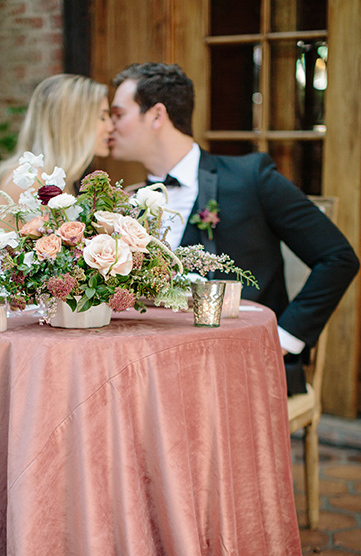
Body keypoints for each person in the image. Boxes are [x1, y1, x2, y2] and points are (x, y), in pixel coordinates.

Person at [109, 62, 359, 394]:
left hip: (245, 370)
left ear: (156, 115)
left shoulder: (250, 178)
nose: (109, 126)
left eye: (117, 114)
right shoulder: (128, 202)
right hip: (155, 372)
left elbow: (338, 258)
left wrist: (281, 339)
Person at [0, 73, 113, 203]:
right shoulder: (30, 184)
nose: (110, 127)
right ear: (72, 123)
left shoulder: (59, 183)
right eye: (102, 117)